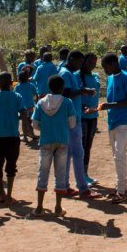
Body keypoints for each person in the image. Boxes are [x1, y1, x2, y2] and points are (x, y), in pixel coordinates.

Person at [31, 75, 73, 218]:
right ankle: (58, 207)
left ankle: (39, 207)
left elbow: (35, 125)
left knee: (43, 172)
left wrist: (46, 127)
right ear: (61, 88)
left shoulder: (41, 103)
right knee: (60, 174)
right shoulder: (67, 102)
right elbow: (72, 123)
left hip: (45, 141)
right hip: (62, 141)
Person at [100, 53, 127, 203]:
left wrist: (109, 106)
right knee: (116, 155)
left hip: (124, 121)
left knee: (119, 155)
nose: (104, 70)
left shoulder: (126, 77)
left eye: (105, 67)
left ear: (114, 64)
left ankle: (122, 190)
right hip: (112, 121)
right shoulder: (110, 79)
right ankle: (120, 186)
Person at [0, 72, 25, 204]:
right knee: (11, 165)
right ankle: (9, 195)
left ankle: (1, 192)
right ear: (11, 83)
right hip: (13, 136)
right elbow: (23, 114)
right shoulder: (17, 96)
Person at [58, 51, 91, 199]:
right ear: (71, 59)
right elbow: (65, 94)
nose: (81, 65)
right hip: (71, 119)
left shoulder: (68, 72)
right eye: (79, 62)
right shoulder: (65, 73)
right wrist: (83, 91)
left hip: (72, 115)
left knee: (69, 153)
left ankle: (64, 186)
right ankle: (83, 188)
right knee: (78, 153)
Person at [80, 54, 102, 185]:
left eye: (95, 61)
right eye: (90, 61)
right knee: (82, 146)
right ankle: (81, 175)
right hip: (82, 116)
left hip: (93, 115)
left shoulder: (95, 76)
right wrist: (83, 108)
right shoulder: (78, 76)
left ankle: (85, 173)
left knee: (88, 146)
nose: (93, 63)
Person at [15, 66, 39, 144]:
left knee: (25, 121)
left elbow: (15, 96)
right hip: (30, 106)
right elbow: (35, 94)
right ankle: (30, 134)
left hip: (21, 107)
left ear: (19, 78)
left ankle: (26, 136)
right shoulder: (31, 85)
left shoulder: (17, 87)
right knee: (28, 120)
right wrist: (36, 101)